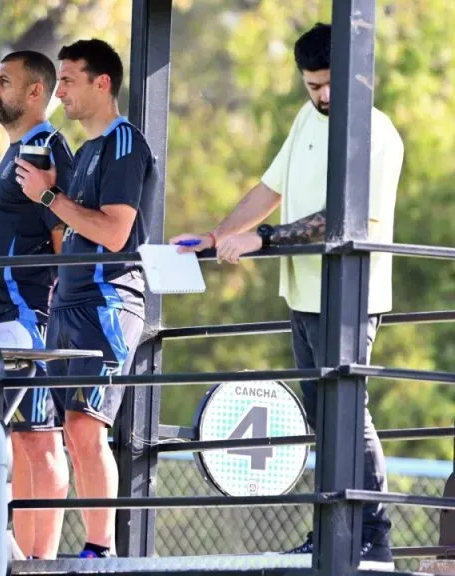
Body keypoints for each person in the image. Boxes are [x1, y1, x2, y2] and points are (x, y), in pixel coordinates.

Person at [170, 22, 402, 570]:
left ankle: (374, 534)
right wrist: (217, 235)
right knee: (325, 418)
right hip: (303, 294)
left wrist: (264, 239)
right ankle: (332, 530)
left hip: (351, 293)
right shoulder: (306, 118)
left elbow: (342, 218)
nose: (320, 95)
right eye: (311, 85)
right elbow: (268, 190)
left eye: (328, 85)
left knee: (348, 413)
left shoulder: (376, 132)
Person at [16, 39, 157, 558]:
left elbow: (115, 233)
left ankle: (100, 549)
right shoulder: (87, 149)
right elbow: (74, 222)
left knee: (85, 427)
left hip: (106, 300)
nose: (62, 91)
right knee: (62, 432)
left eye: (70, 79)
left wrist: (48, 196)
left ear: (102, 83)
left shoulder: (124, 143)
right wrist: (54, 192)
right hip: (68, 302)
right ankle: (43, 553)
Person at [0, 49, 75, 560]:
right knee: (18, 437)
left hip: (32, 315)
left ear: (35, 92)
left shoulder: (45, 146)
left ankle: (41, 562)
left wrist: (58, 313)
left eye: (4, 81)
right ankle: (18, 555)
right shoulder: (12, 149)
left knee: (40, 437)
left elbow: (66, 236)